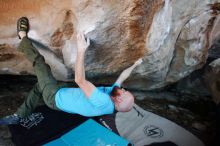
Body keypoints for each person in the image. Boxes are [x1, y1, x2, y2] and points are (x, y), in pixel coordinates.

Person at [0, 17, 142, 125]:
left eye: (123, 93)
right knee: (40, 86)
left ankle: (22, 36)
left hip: (54, 97)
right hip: (64, 93)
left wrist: (81, 50)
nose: (122, 90)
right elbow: (122, 78)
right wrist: (136, 64)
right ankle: (21, 114)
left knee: (41, 65)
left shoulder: (104, 101)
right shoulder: (113, 95)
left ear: (117, 101)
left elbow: (79, 80)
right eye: (125, 90)